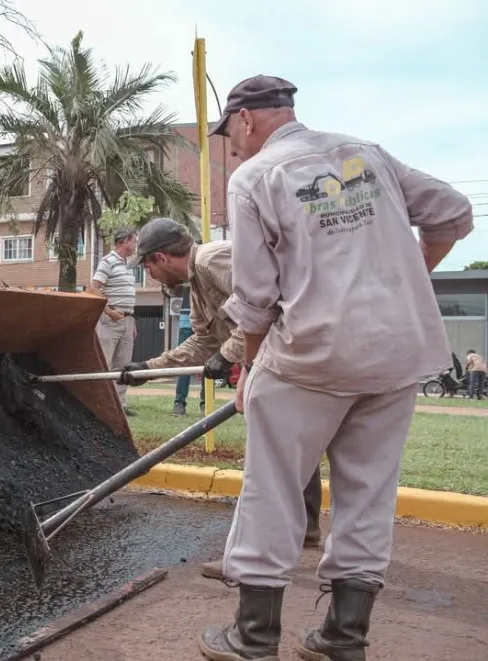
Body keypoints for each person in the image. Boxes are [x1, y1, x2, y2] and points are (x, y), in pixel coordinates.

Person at [196, 75, 473, 661]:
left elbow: (255, 298)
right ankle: (344, 638)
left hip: (309, 358)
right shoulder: (366, 155)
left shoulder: (254, 179)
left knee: (271, 488)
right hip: (396, 354)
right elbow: (452, 214)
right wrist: (410, 277)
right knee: (369, 493)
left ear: (245, 120)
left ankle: (253, 636)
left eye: (230, 135)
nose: (233, 147)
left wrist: (246, 365)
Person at [116, 217, 322, 582]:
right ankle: (303, 530)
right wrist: (150, 367)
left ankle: (255, 556)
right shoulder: (195, 285)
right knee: (288, 448)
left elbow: (265, 305)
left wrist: (228, 355)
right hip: (273, 360)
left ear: (161, 258)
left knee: (270, 456)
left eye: (146, 265)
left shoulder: (213, 260)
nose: (147, 274)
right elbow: (202, 343)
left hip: (293, 356)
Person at [90, 227, 138, 415]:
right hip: (110, 321)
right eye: (134, 241)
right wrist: (109, 312)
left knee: (123, 364)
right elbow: (93, 289)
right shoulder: (107, 262)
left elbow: (128, 296)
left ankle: (120, 405)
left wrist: (132, 321)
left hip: (127, 319)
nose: (135, 245)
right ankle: (101, 405)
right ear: (124, 241)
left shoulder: (127, 265)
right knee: (105, 363)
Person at [172, 292, 205, 416]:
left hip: (209, 316)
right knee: (184, 361)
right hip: (187, 316)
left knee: (209, 362)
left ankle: (206, 404)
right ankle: (179, 403)